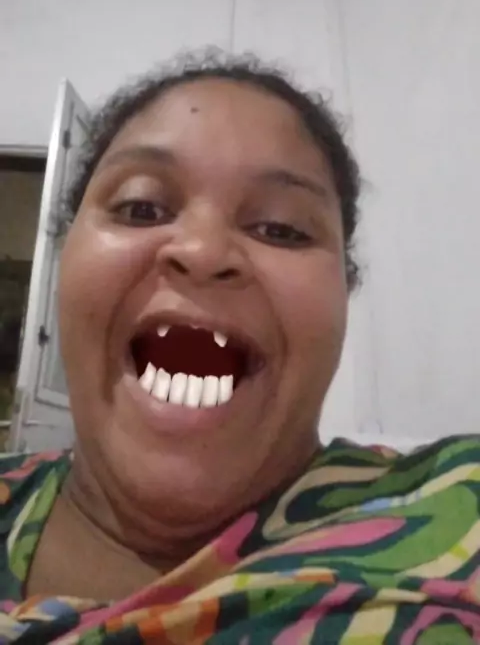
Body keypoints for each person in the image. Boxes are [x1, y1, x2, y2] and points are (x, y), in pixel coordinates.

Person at [0, 54, 478, 644]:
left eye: (281, 229)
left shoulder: (458, 506)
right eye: (141, 208)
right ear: (64, 253)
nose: (202, 251)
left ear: (345, 287)